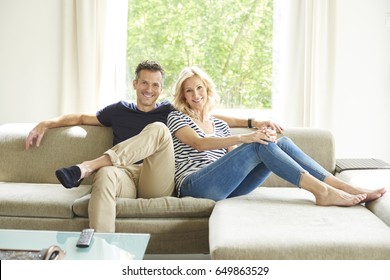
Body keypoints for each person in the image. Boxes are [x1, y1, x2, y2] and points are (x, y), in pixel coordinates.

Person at [25, 60, 270, 232]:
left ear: (161, 89)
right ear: (135, 84)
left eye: (155, 85)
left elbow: (208, 116)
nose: (149, 90)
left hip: (156, 175)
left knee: (159, 129)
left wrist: (250, 121)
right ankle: (101, 252)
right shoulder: (118, 110)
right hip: (123, 173)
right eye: (144, 83)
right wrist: (45, 123)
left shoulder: (169, 111)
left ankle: (89, 166)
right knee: (106, 174)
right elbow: (80, 118)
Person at [167, 66, 386, 206]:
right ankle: (322, 191)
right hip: (194, 186)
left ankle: (344, 187)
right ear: (182, 95)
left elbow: (230, 161)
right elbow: (199, 143)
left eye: (199, 88)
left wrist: (266, 141)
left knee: (282, 142)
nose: (196, 94)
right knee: (257, 144)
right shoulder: (177, 117)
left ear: (207, 89)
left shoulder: (220, 124)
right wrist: (247, 138)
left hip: (225, 187)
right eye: (189, 90)